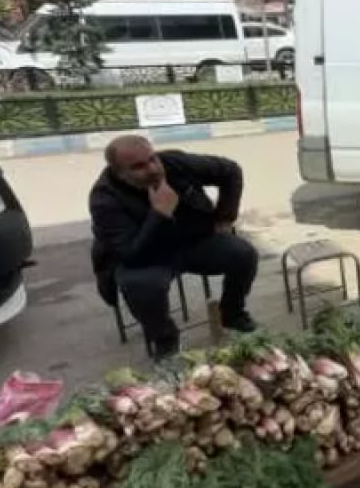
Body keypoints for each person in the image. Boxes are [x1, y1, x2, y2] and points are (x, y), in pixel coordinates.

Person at [89, 136, 259, 359]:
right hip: (149, 255)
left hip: (194, 241)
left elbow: (230, 171)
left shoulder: (174, 163)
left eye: (152, 159)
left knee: (244, 254)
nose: (152, 169)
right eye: (139, 166)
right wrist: (160, 213)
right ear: (119, 173)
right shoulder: (104, 199)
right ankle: (165, 338)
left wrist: (224, 218)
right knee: (139, 286)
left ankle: (232, 312)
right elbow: (131, 255)